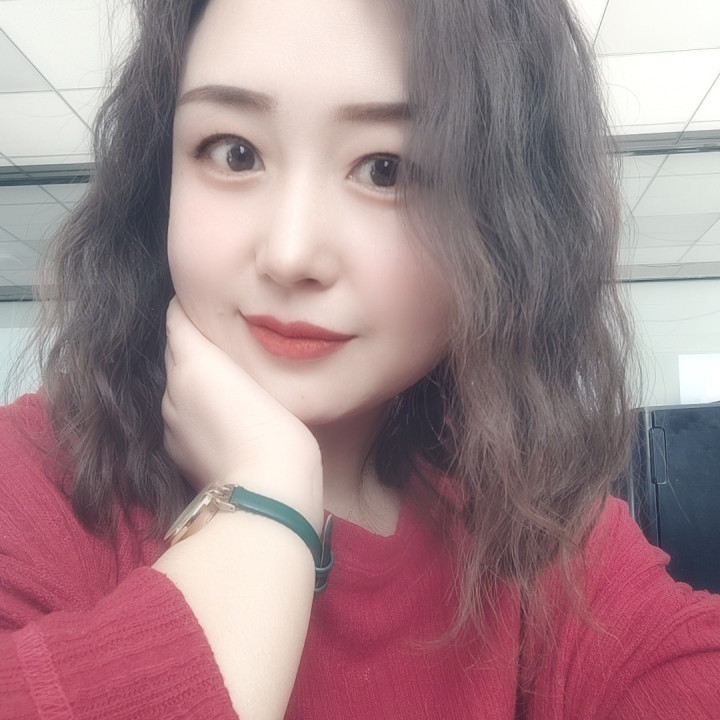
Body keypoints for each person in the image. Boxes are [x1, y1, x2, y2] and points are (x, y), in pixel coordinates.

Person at [1, 0, 719, 717]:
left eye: (386, 169)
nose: (290, 254)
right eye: (234, 152)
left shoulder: (535, 527)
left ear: (507, 225)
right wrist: (264, 506)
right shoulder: (35, 482)